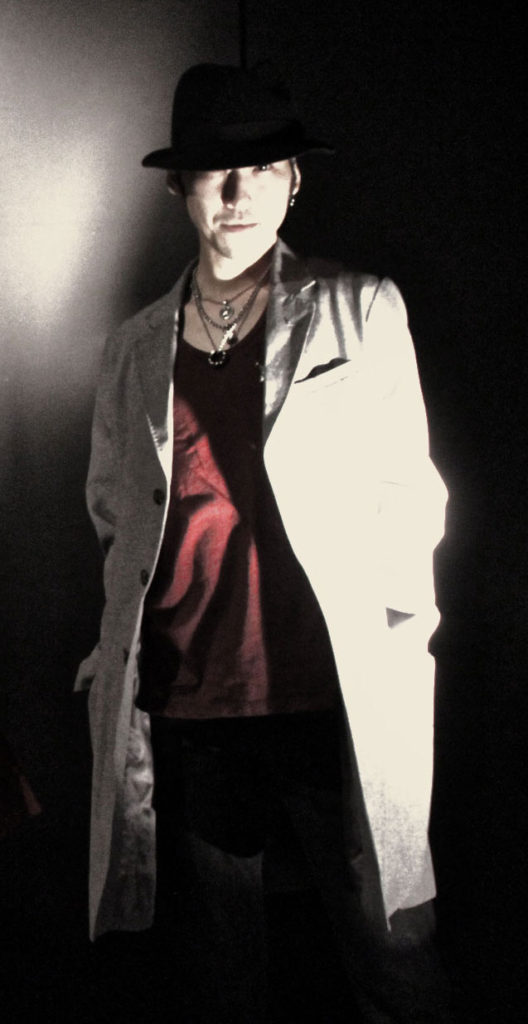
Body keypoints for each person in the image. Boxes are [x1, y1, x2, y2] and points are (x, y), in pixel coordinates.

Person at [75, 63, 451, 1022]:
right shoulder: (134, 347)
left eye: (261, 169)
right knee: (226, 973)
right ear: (179, 185)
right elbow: (116, 509)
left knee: (391, 954)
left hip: (330, 698)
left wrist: (398, 640)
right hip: (194, 706)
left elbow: (409, 499)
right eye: (215, 170)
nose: (237, 193)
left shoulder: (360, 307)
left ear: (294, 180)